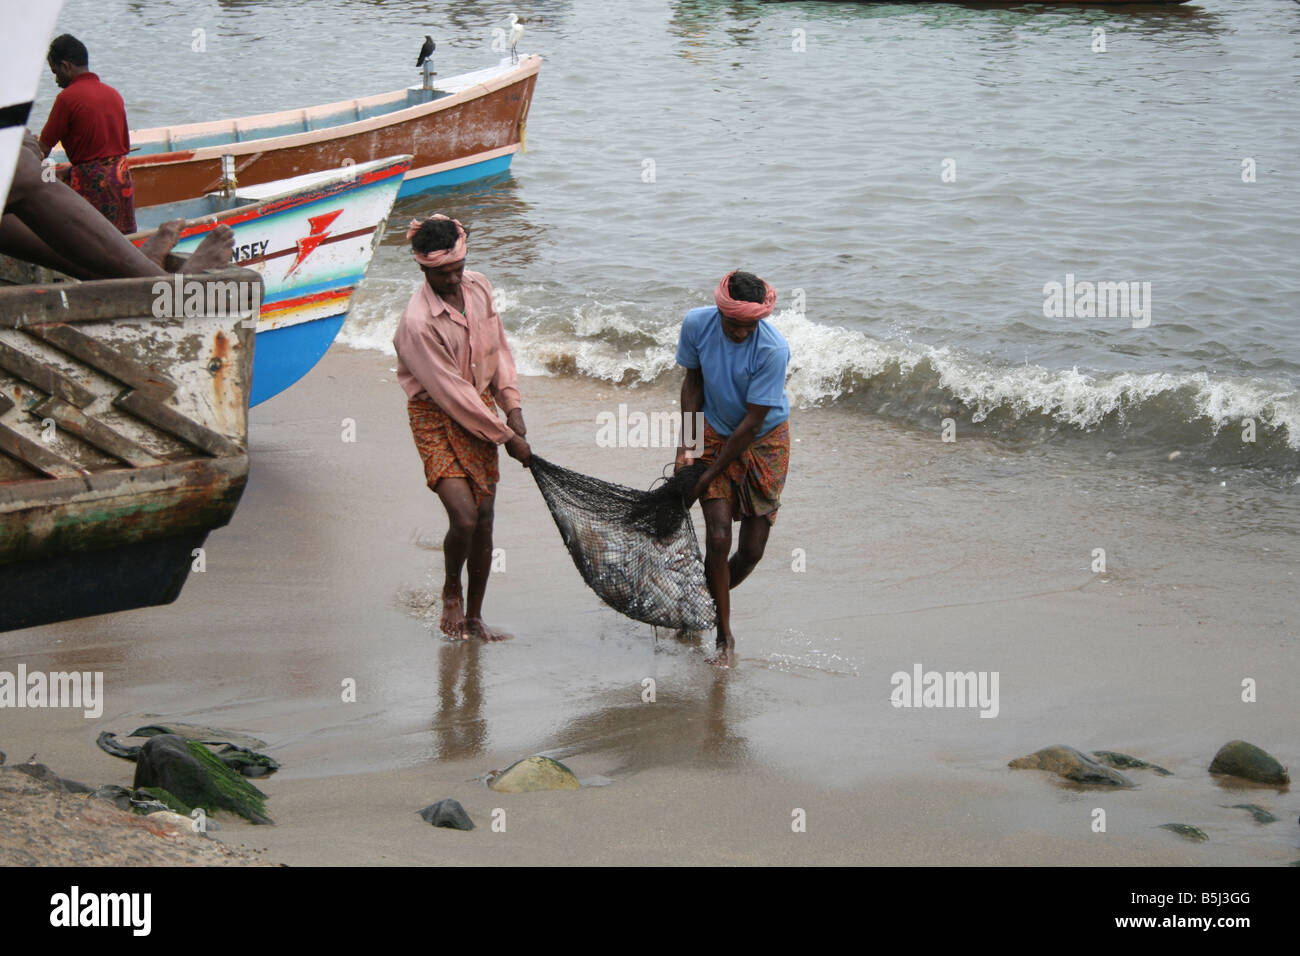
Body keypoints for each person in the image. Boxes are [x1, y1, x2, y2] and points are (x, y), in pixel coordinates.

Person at [393, 215, 530, 642]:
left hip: (482, 408)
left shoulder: (479, 286)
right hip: (435, 413)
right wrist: (507, 437)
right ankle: (452, 588)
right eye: (442, 275)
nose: (453, 281)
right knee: (465, 517)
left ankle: (475, 617)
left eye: (457, 269)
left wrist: (512, 405)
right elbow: (451, 392)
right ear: (423, 270)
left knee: (485, 519)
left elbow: (498, 347)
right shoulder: (418, 324)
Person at [675, 270, 791, 668]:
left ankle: (697, 602)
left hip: (764, 440)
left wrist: (705, 475)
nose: (741, 333)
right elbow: (692, 384)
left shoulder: (773, 349)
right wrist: (688, 449)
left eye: (750, 326)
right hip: (712, 431)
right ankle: (725, 638)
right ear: (721, 311)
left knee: (751, 552)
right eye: (734, 325)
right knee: (719, 539)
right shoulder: (696, 324)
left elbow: (752, 423)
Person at [2, 131, 233, 277]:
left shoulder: (69, 98)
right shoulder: (98, 95)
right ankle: (159, 285)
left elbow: (46, 142)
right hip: (115, 174)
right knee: (21, 170)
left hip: (97, 176)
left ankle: (136, 273)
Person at [38, 34, 137, 233]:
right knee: (122, 242)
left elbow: (42, 151)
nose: (57, 80)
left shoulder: (67, 99)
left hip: (91, 185)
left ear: (66, 66)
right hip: (122, 179)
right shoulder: (113, 94)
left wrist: (43, 174)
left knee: (92, 242)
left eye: (56, 72)